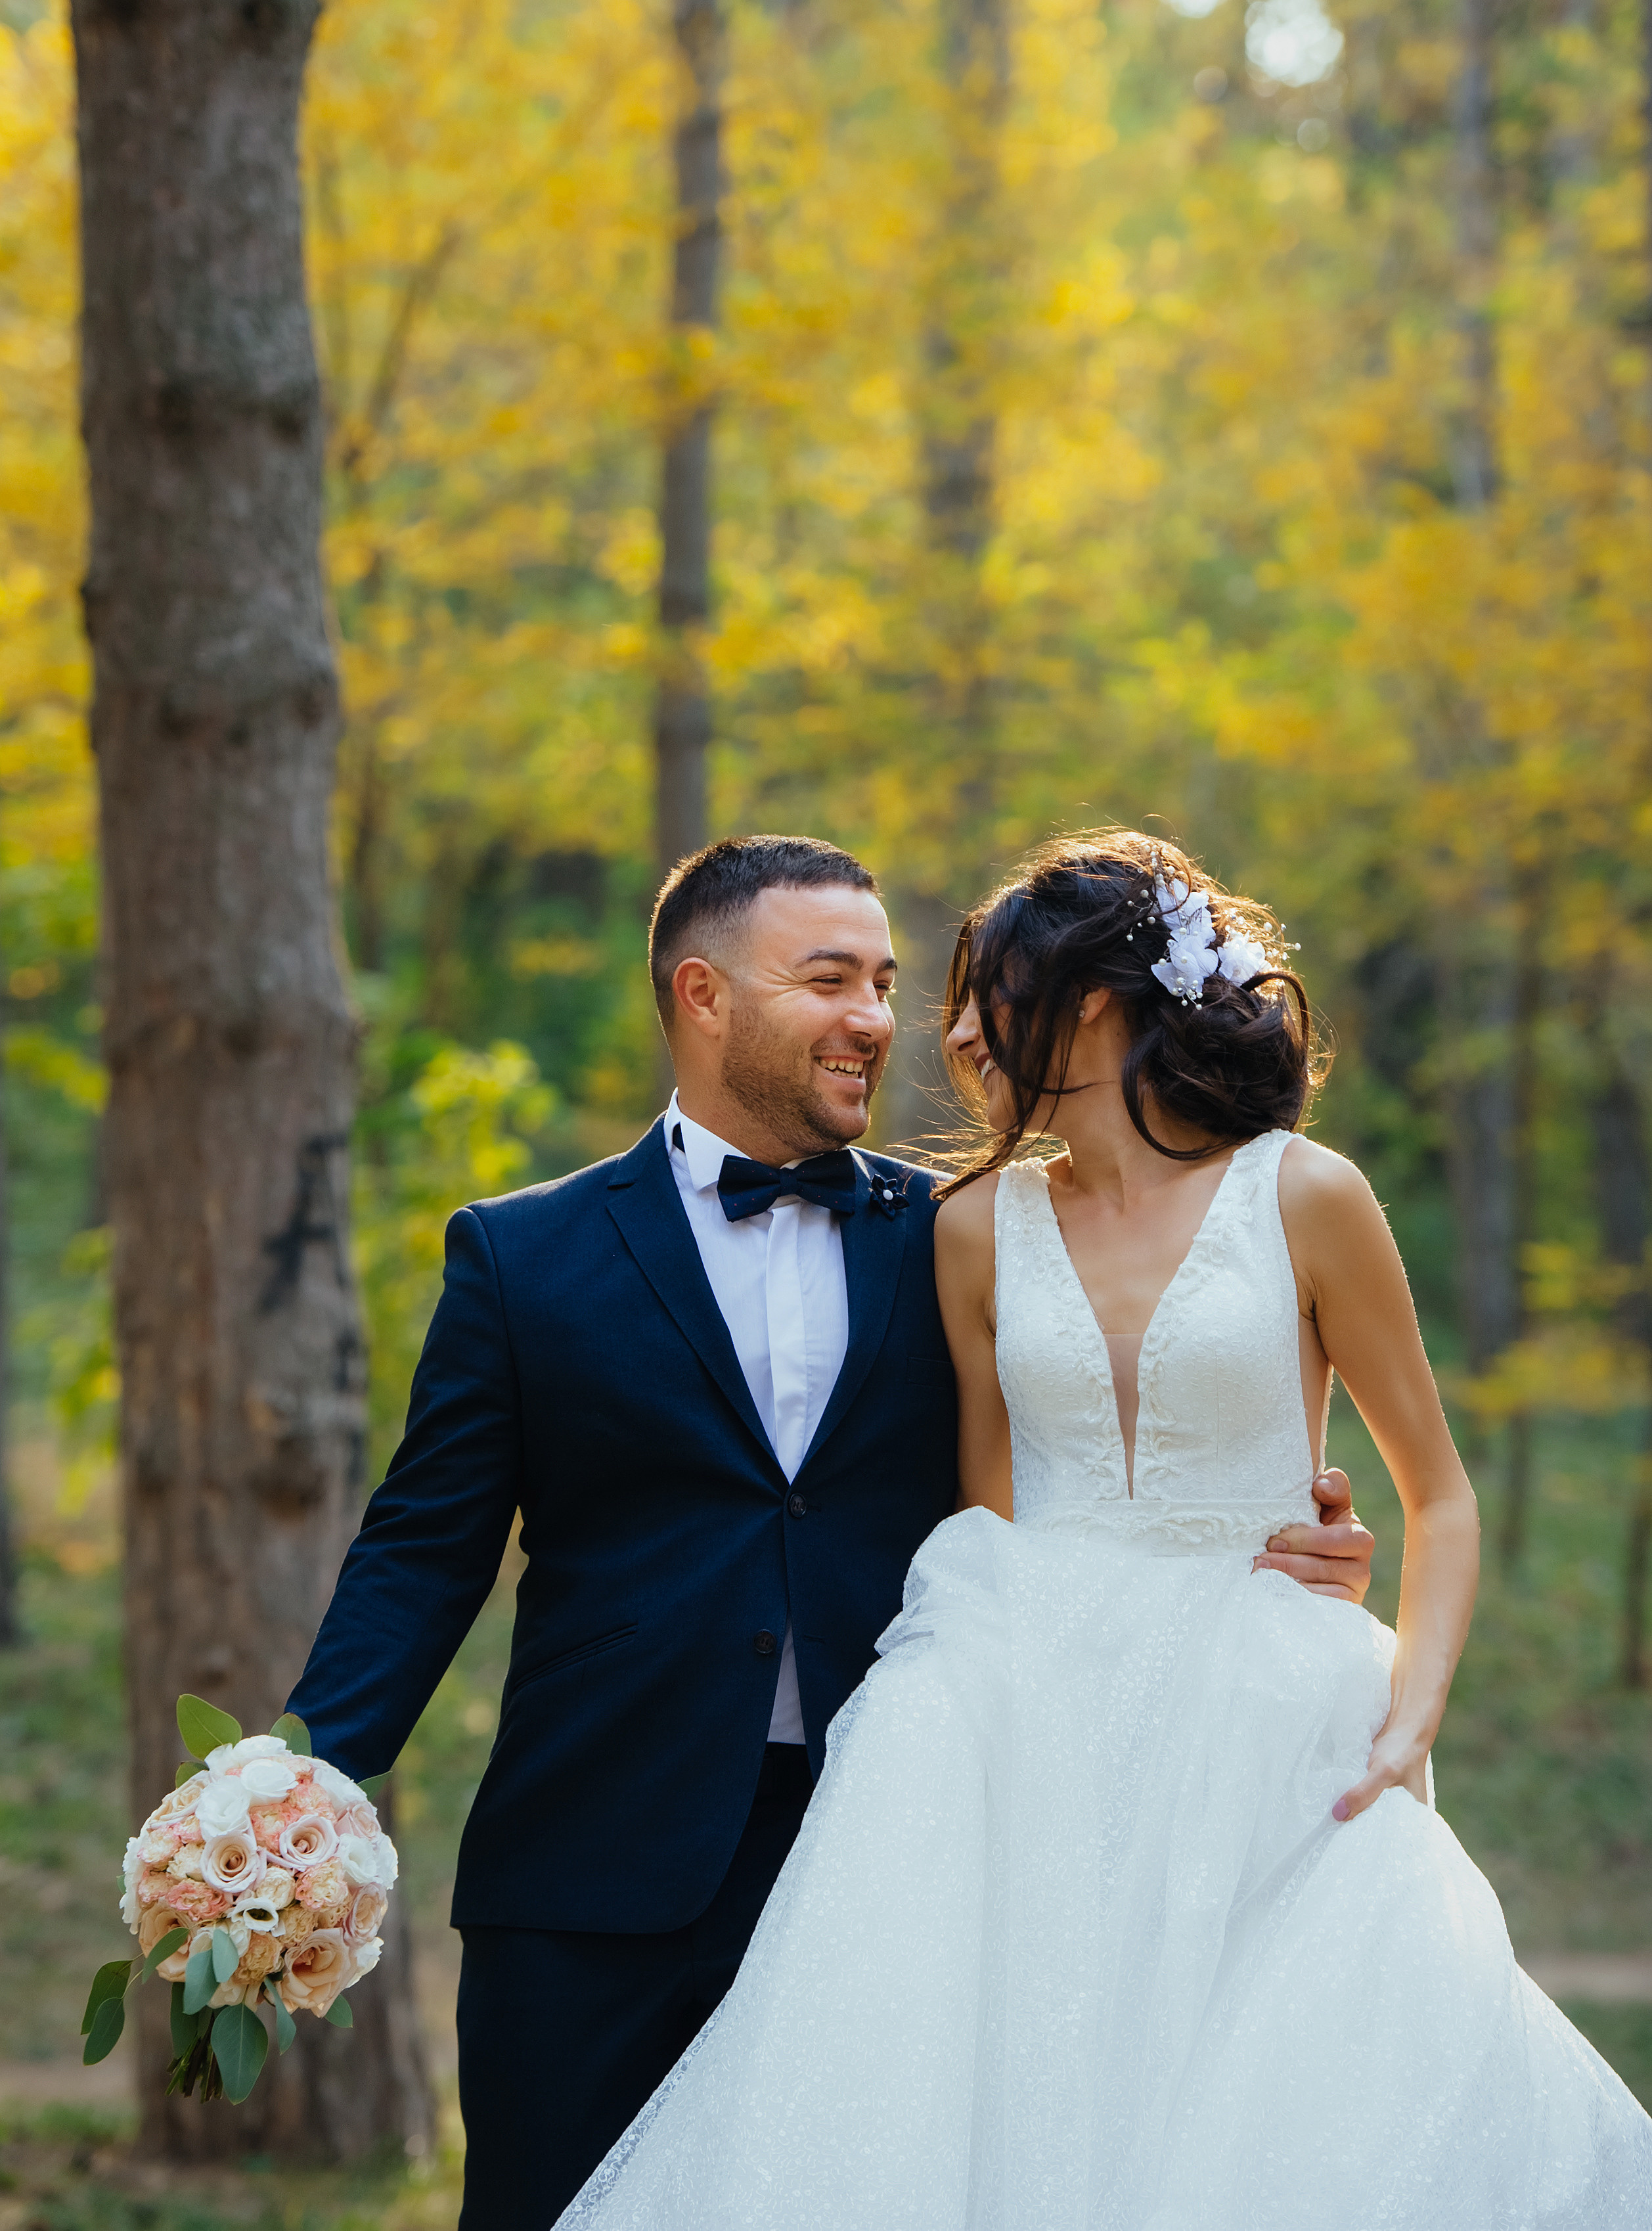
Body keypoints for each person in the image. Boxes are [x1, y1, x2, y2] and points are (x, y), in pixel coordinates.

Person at [552, 830, 1652, 2231]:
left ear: (1088, 1006)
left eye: (978, 994)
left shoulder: (1305, 1195)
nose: (943, 1033)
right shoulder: (970, 1227)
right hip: (1021, 1705)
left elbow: (1436, 1487)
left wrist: (1411, 1705)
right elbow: (983, 1503)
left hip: (1264, 1701)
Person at [286, 833, 1373, 2228]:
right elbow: (422, 1551)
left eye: (886, 979)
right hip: (588, 1878)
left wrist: (1285, 1539)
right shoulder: (521, 1257)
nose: (880, 1018)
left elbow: (1089, 1487)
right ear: (703, 994)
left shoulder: (973, 1235)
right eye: (830, 980)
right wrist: (298, 1782)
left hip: (898, 1858)